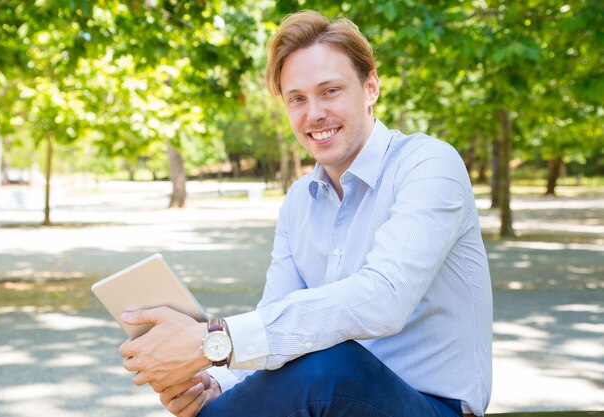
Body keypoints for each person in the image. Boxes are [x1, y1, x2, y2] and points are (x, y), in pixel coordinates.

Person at [118, 10, 492, 417]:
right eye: (297, 98)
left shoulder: (429, 164)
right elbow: (276, 322)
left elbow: (384, 299)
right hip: (328, 404)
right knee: (305, 366)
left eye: (330, 91)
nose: (313, 113)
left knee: (329, 366)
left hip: (429, 407)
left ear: (371, 87)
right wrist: (216, 384)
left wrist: (212, 342)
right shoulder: (299, 201)